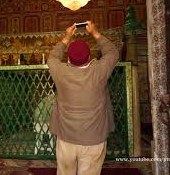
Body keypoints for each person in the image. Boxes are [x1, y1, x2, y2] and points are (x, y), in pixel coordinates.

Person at [47, 21, 119, 175]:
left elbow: (52, 57)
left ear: (69, 58)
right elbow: (112, 53)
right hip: (94, 140)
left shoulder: (60, 71)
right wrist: (95, 32)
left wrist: (66, 37)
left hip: (66, 138)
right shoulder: (99, 71)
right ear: (89, 57)